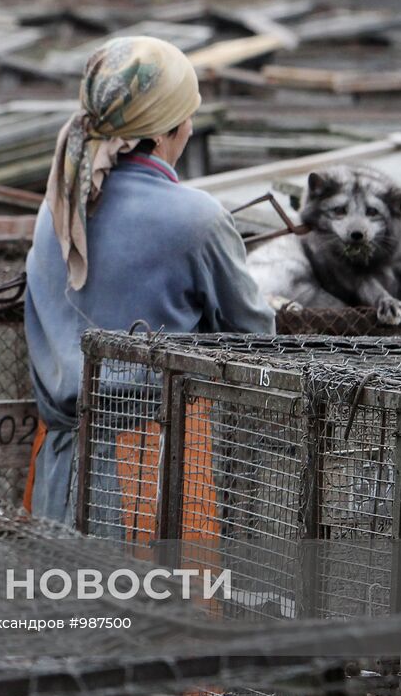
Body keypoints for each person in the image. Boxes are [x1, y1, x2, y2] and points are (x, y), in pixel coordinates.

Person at [23, 35, 274, 527]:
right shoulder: (196, 219)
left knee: (65, 600)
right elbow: (256, 339)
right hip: (156, 464)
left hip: (56, 464)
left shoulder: (56, 206)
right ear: (166, 133)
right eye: (188, 117)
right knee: (157, 603)